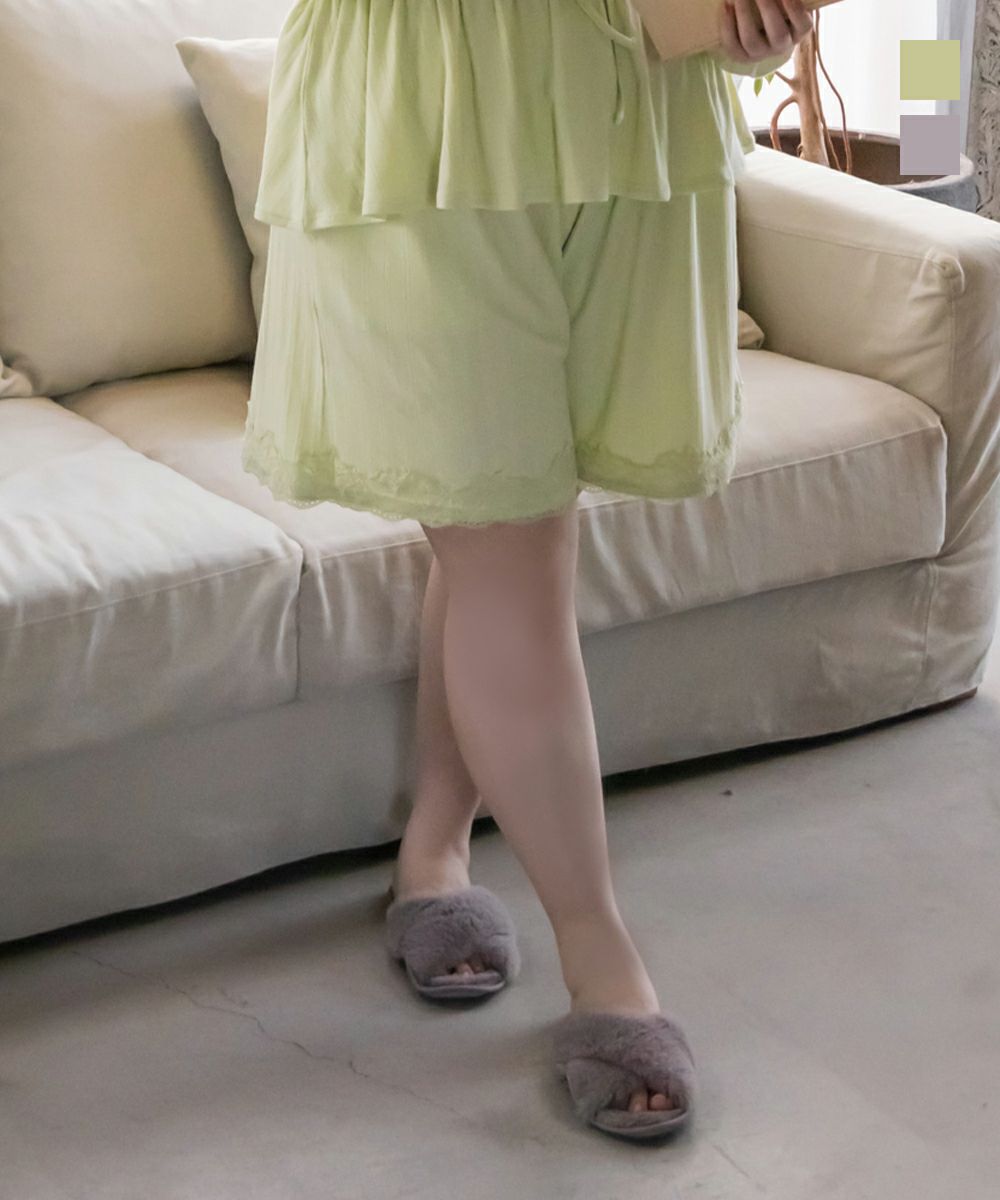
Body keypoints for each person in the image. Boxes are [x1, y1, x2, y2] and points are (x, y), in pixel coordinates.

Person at [244, 0, 814, 1141]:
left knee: (504, 509)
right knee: (510, 539)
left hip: (635, 86)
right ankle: (603, 962)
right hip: (427, 84)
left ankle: (433, 850)